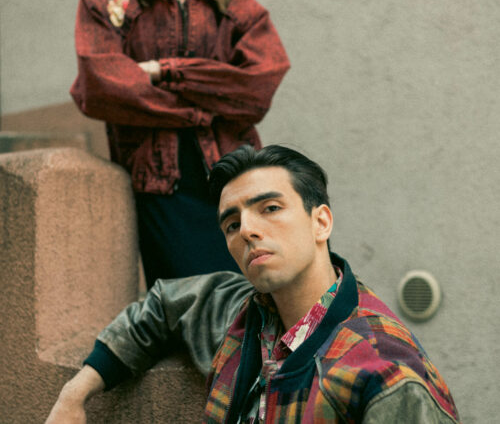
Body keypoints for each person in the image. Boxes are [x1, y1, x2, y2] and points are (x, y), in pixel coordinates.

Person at [46, 145, 460, 423]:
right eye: (232, 223)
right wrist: (74, 396)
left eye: (270, 208)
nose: (246, 230)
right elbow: (160, 306)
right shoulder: (243, 316)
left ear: (321, 222)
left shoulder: (386, 375)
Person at [70, 0, 290, 286]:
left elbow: (257, 87)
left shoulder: (238, 8)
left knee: (255, 298)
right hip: (160, 189)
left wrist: (163, 71)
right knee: (193, 302)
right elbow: (101, 86)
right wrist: (205, 107)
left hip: (238, 182)